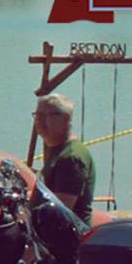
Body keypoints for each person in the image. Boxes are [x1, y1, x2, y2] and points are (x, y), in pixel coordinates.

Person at [33, 93, 93, 225]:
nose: (39, 121)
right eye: (37, 115)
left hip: (66, 240)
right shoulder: (57, 151)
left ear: (65, 119)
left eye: (45, 116)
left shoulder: (71, 158)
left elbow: (60, 213)